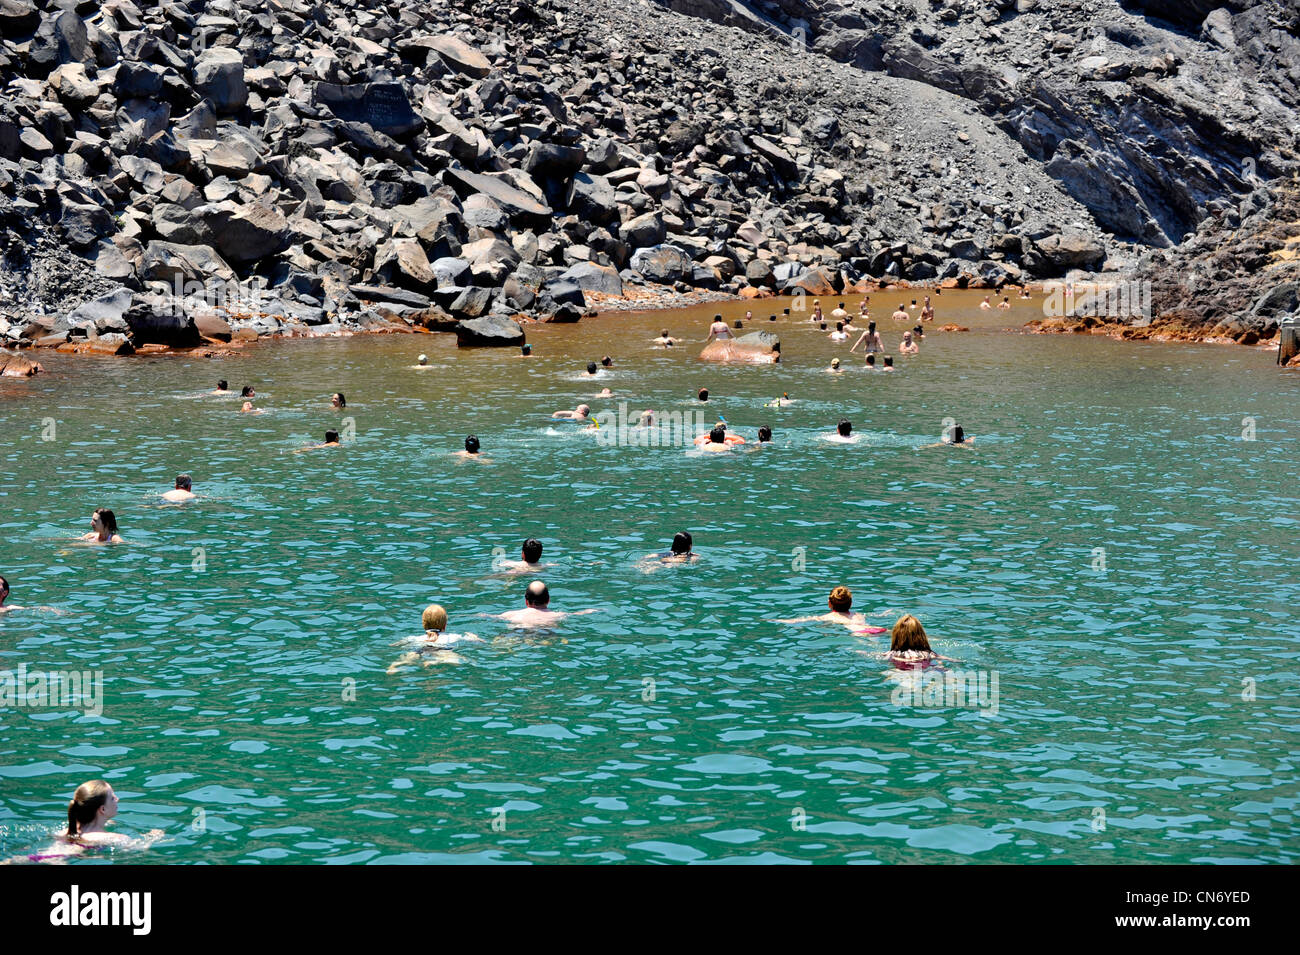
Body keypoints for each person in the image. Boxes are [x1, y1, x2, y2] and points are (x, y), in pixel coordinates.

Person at [387, 604, 485, 672]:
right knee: (455, 659)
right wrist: (474, 637)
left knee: (409, 656)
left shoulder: (418, 638)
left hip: (421, 649)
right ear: (445, 625)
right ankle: (432, 661)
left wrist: (393, 644)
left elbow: (403, 642)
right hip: (442, 650)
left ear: (424, 624)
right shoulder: (452, 637)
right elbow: (475, 641)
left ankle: (394, 666)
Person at [775, 585, 886, 633]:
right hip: (873, 629)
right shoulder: (858, 614)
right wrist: (884, 614)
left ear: (829, 603)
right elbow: (875, 615)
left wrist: (780, 620)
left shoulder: (828, 617)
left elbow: (802, 620)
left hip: (857, 631)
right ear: (851, 603)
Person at [489, 580, 598, 628]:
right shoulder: (557, 615)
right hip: (545, 632)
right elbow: (577, 614)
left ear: (526, 602)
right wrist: (593, 610)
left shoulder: (511, 614)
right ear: (548, 600)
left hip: (521, 630)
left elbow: (488, 617)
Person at [888, 614, 952, 664]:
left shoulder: (890, 654)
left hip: (899, 671)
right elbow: (953, 661)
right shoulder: (929, 654)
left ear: (896, 635)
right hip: (924, 669)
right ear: (921, 635)